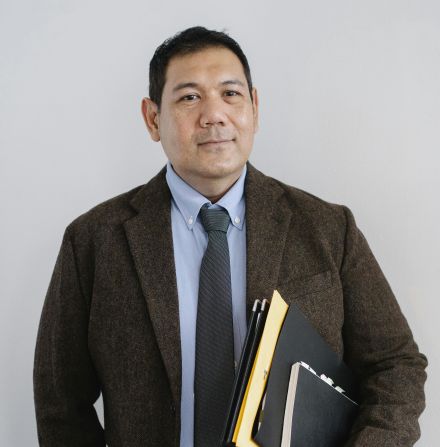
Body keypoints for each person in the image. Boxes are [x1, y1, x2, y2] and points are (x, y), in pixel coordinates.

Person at [33, 26, 427, 447]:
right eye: (189, 97)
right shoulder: (94, 241)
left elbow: (395, 365)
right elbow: (60, 399)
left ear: (254, 108)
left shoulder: (329, 228)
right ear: (152, 118)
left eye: (231, 94)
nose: (214, 114)